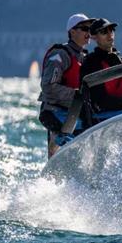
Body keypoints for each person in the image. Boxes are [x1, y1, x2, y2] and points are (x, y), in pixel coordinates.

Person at [37, 13, 95, 157]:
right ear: (72, 32)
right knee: (63, 149)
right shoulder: (60, 55)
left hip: (75, 113)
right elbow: (49, 87)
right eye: (84, 28)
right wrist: (77, 95)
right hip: (54, 112)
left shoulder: (86, 57)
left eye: (90, 29)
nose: (88, 33)